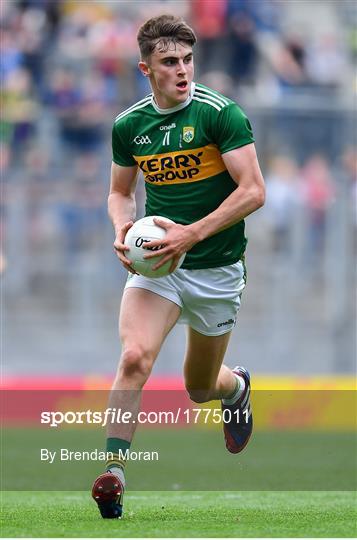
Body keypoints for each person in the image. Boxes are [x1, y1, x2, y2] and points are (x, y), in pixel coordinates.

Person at [92, 14, 265, 519]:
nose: (183, 70)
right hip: (159, 268)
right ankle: (114, 473)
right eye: (170, 62)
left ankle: (236, 386)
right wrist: (122, 229)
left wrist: (192, 233)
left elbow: (253, 191)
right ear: (146, 69)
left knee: (199, 388)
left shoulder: (220, 114)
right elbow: (120, 193)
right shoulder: (129, 127)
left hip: (216, 268)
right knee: (134, 358)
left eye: (188, 59)